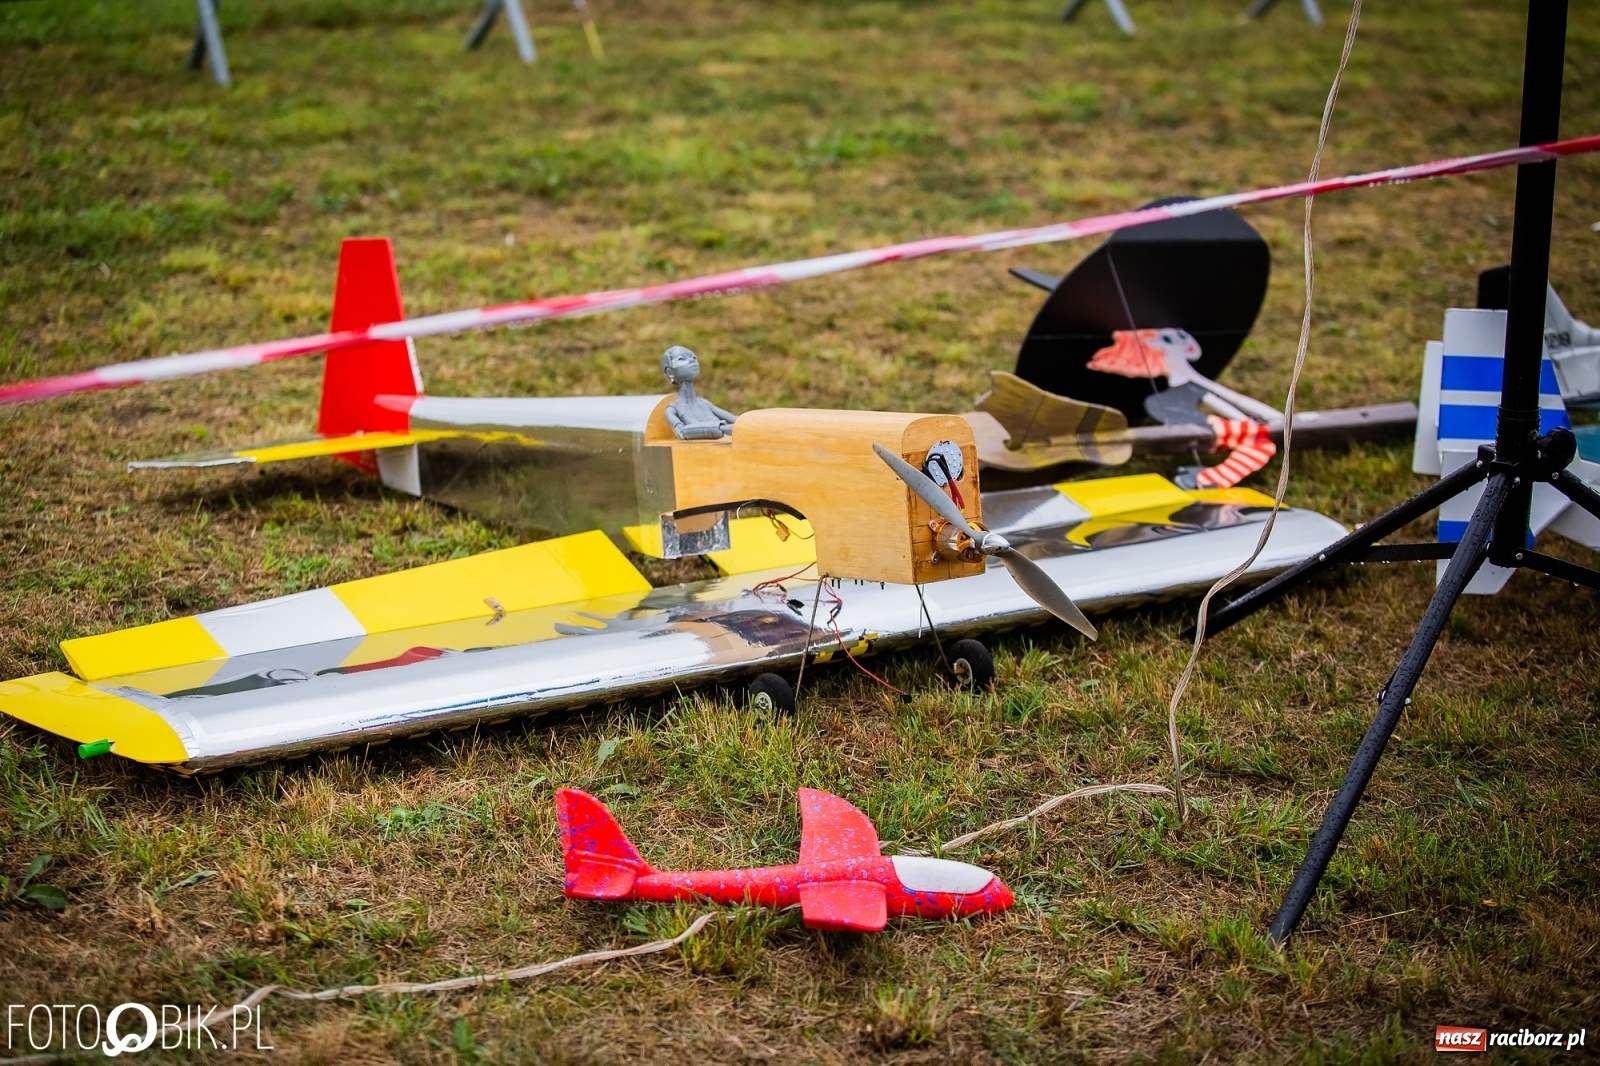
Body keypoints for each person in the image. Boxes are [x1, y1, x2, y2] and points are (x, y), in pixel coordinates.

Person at [661, 345, 738, 440]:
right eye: (681, 359)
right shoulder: (673, 409)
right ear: (670, 372)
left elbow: (735, 420)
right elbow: (681, 432)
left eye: (693, 357)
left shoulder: (704, 403)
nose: (692, 361)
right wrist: (722, 428)